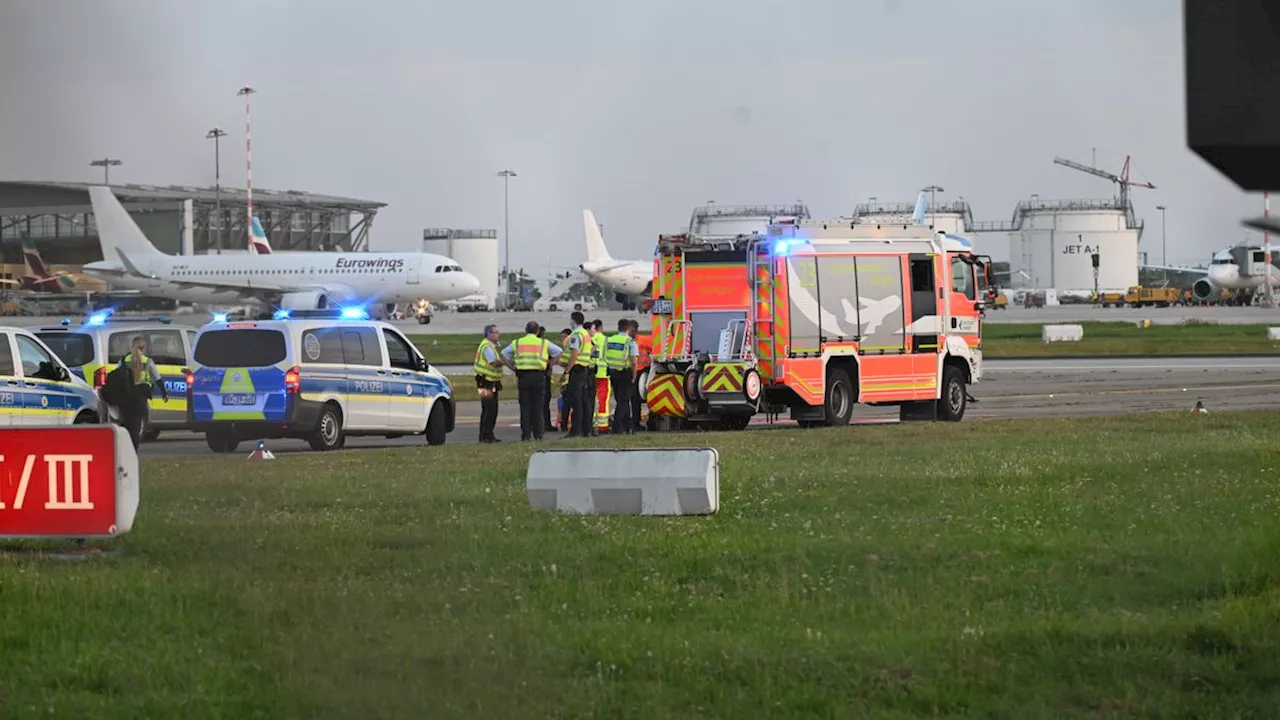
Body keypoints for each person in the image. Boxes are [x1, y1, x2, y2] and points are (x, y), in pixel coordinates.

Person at [501, 321, 562, 441]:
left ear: (526, 330)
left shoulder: (517, 342)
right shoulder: (543, 342)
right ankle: (538, 434)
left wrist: (512, 367)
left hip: (523, 377)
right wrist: (550, 364)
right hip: (539, 376)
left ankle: (526, 434)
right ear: (538, 331)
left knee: (525, 407)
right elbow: (559, 352)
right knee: (538, 407)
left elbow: (503, 354)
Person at [117, 335, 167, 449]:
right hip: (140, 398)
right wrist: (164, 392)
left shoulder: (124, 360)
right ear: (143, 348)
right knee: (137, 426)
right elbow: (157, 378)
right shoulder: (148, 361)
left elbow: (117, 375)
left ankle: (126, 449)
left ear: (132, 346)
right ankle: (133, 450)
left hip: (126, 398)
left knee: (127, 425)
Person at [564, 311, 594, 438]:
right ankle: (586, 429)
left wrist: (566, 370)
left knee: (576, 402)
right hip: (585, 370)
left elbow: (574, 354)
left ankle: (575, 430)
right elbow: (593, 349)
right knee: (584, 401)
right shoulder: (585, 334)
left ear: (573, 320)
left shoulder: (576, 335)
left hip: (576, 371)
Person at [472, 325, 504, 443]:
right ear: (489, 334)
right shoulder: (487, 347)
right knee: (489, 409)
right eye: (496, 332)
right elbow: (494, 363)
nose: (498, 334)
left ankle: (488, 435)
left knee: (491, 409)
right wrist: (505, 361)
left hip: (490, 381)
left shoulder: (490, 346)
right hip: (485, 382)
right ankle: (485, 435)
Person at [604, 319, 636, 434]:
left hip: (613, 372)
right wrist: (634, 376)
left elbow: (605, 355)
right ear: (628, 329)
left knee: (621, 399)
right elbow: (633, 361)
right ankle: (617, 427)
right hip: (625, 373)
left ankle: (628, 426)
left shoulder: (610, 340)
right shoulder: (629, 341)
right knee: (623, 401)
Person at [590, 319, 609, 434]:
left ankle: (590, 422)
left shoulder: (589, 339)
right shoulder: (606, 340)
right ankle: (603, 425)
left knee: (589, 399)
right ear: (601, 328)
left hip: (590, 372)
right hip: (603, 374)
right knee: (603, 400)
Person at [627, 319, 645, 431]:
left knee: (635, 399)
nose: (631, 333)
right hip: (629, 371)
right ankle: (632, 422)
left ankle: (635, 422)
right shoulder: (626, 340)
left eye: (632, 331)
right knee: (629, 399)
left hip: (640, 371)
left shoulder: (642, 340)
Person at [537, 325, 554, 430]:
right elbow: (554, 357)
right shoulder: (544, 344)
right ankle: (546, 424)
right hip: (543, 376)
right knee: (544, 402)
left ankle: (535, 424)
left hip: (533, 375)